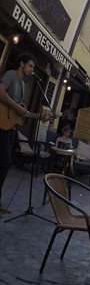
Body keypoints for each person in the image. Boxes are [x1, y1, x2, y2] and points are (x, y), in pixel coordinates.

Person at [0, 52, 46, 215]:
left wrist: (39, 116)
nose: (32, 70)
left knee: (5, 163)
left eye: (33, 67)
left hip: (10, 128)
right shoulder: (11, 75)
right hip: (1, 125)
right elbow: (0, 91)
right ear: (22, 64)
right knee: (5, 162)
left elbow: (22, 112)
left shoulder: (24, 85)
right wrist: (16, 107)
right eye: (30, 66)